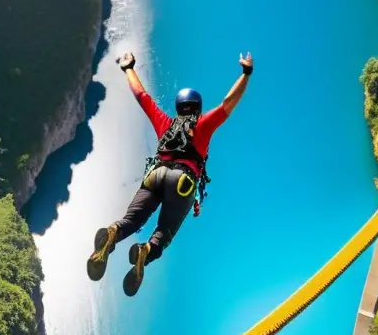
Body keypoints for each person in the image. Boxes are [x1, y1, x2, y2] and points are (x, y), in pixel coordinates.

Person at [87, 51, 254, 296]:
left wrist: (128, 68)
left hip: (155, 175)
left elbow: (142, 97)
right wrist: (246, 73)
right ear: (197, 108)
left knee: (130, 221)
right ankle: (145, 250)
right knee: (162, 234)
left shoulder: (165, 123)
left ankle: (113, 233)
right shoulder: (203, 125)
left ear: (179, 109)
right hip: (183, 181)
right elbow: (228, 103)